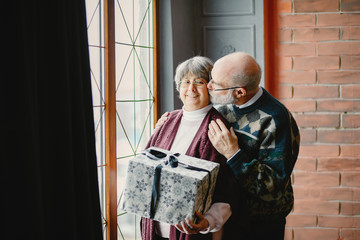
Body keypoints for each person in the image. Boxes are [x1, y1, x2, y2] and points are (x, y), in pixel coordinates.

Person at [157, 52, 300, 240]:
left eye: (214, 84)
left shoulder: (276, 120)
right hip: (225, 215)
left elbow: (270, 189)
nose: (208, 86)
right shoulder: (223, 103)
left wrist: (233, 153)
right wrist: (169, 124)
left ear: (239, 92)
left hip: (259, 223)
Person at [141, 56, 239, 240]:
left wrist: (208, 222)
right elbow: (146, 166)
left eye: (199, 82)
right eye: (186, 82)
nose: (191, 89)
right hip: (154, 229)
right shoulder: (167, 120)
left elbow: (228, 189)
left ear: (210, 87)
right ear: (179, 87)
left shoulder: (219, 128)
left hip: (192, 232)